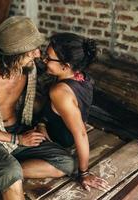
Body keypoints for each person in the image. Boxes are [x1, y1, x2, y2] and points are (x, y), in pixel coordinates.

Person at [0, 16, 74, 200]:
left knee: (66, 163)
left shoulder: (28, 70)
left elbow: (35, 103)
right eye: (32, 51)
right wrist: (18, 139)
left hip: (19, 130)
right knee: (11, 174)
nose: (38, 55)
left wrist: (42, 124)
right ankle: (5, 171)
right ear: (14, 54)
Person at [38, 32, 109, 192]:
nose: (44, 60)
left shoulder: (60, 92)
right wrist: (42, 122)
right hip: (58, 128)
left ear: (66, 65)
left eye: (48, 58)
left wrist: (84, 173)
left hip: (57, 141)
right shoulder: (83, 77)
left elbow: (81, 134)